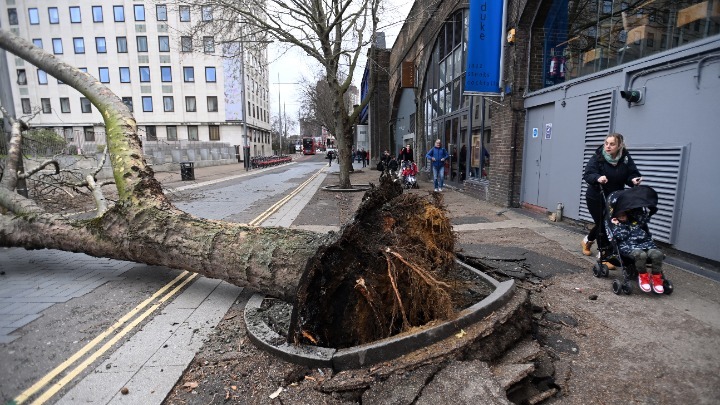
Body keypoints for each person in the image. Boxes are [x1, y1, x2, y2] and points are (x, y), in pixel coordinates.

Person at [582, 133, 642, 263]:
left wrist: (634, 179)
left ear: (619, 145)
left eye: (612, 144)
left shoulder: (625, 158)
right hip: (596, 196)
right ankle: (604, 254)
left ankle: (587, 240)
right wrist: (598, 178)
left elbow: (631, 174)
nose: (608, 146)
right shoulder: (598, 157)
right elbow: (588, 174)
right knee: (602, 223)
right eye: (606, 143)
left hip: (615, 196)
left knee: (607, 222)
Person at [610, 208, 665, 293]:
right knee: (641, 255)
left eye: (623, 215)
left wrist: (651, 211)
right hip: (629, 247)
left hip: (646, 245)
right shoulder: (616, 226)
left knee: (657, 254)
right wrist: (618, 225)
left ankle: (656, 277)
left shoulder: (635, 223)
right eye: (619, 216)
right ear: (616, 218)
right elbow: (621, 236)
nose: (622, 217)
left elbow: (644, 221)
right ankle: (643, 276)